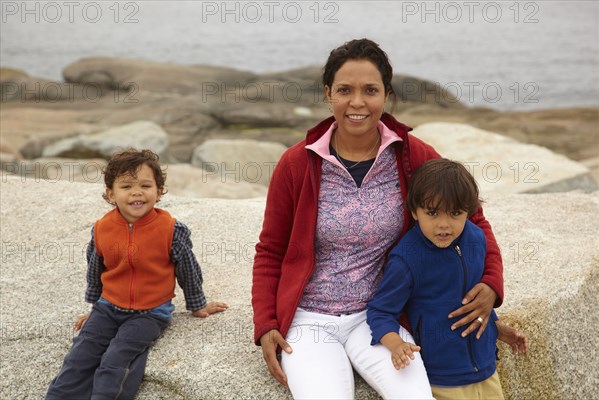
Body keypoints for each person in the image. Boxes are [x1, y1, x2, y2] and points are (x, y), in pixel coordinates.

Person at [252, 38, 504, 399]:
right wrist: (265, 324)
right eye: (345, 90)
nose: (357, 102)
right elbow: (271, 249)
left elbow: (472, 215)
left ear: (386, 95)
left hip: (380, 316)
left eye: (370, 90)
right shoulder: (297, 164)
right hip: (310, 320)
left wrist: (493, 283)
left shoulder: (410, 154)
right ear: (328, 94)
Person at [46, 148, 228, 399]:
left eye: (145, 185)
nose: (136, 192)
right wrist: (93, 306)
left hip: (150, 313)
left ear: (159, 191)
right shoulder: (102, 228)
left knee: (116, 359)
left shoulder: (170, 229)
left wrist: (198, 305)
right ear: (111, 193)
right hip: (108, 307)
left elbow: (188, 267)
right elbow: (96, 268)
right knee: (80, 356)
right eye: (126, 186)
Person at [367, 158, 528, 400]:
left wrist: (497, 329)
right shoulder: (406, 259)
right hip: (442, 378)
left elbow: (473, 299)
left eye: (455, 213)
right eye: (432, 213)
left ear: (468, 211)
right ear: (414, 211)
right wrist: (396, 345)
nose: (444, 225)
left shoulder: (475, 239)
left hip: (485, 369)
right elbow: (379, 312)